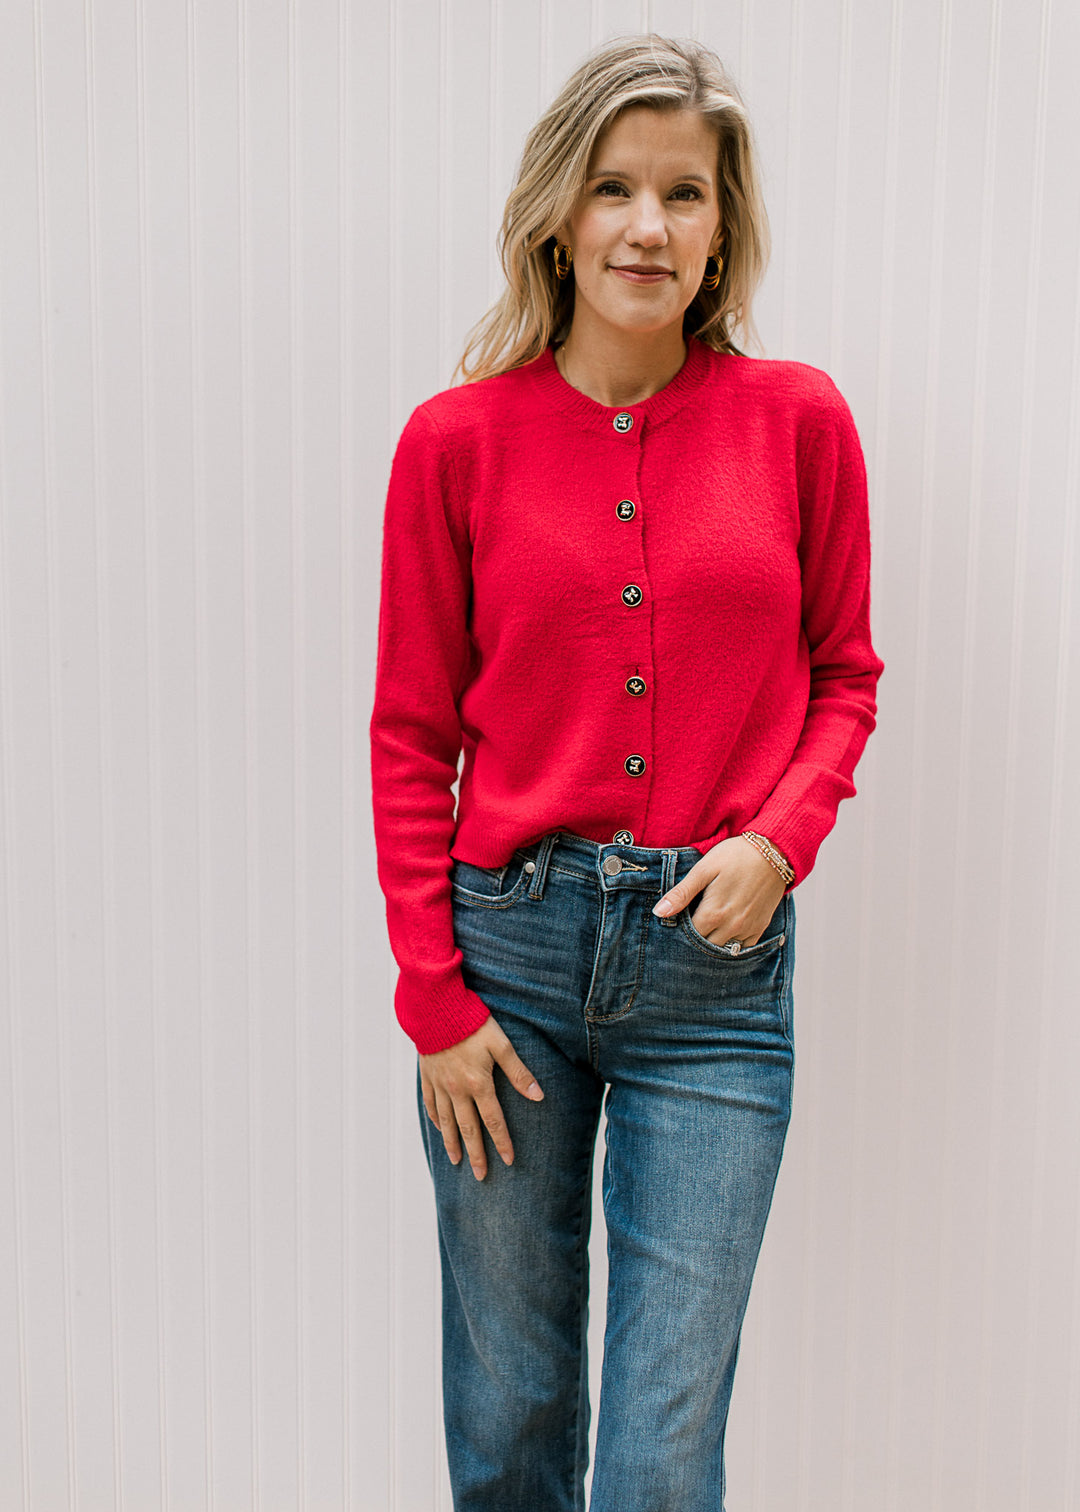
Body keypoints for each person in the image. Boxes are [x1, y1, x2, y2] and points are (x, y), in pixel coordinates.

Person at [369, 31, 884, 1512]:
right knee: (512, 1421)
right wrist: (433, 1000)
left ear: (726, 227)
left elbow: (846, 675)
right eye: (612, 188)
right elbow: (413, 738)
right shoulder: (453, 446)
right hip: (506, 972)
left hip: (716, 987)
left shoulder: (799, 423)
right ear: (558, 214)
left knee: (659, 1458)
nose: (647, 226)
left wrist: (781, 842)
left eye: (685, 192)